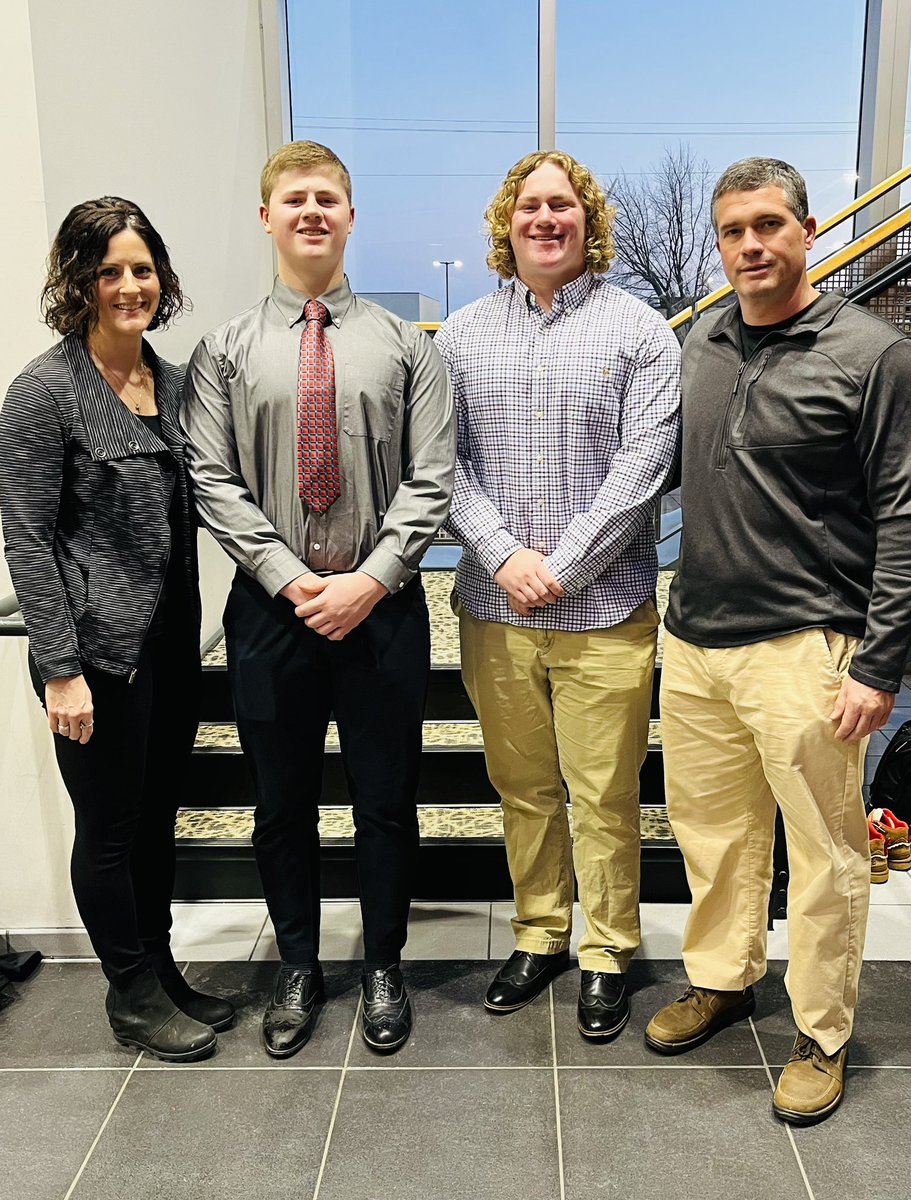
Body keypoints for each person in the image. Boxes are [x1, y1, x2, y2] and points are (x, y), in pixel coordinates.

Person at [646, 157, 911, 1123]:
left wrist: (878, 664)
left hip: (806, 652)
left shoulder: (873, 357)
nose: (750, 245)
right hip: (694, 643)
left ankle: (821, 1032)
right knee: (715, 838)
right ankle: (723, 978)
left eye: (768, 225)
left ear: (806, 230)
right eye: (733, 231)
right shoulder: (705, 341)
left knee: (823, 855)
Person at [181, 141, 454, 1058]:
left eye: (327, 198)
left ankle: (383, 965)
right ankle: (298, 962)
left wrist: (368, 580)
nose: (311, 212)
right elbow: (211, 479)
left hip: (382, 611)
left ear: (349, 216)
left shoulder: (404, 347)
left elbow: (432, 477)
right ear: (266, 218)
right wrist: (294, 579)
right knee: (279, 805)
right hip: (271, 613)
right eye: (293, 198)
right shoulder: (222, 350)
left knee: (385, 802)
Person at [435, 151, 680, 1037]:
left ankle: (607, 948)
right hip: (494, 609)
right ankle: (539, 935)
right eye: (531, 205)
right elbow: (442, 464)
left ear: (587, 221)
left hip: (606, 612)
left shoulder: (641, 333)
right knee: (523, 788)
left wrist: (560, 566)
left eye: (562, 205)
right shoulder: (459, 336)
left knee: (605, 792)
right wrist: (504, 556)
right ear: (508, 222)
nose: (546, 218)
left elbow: (640, 469)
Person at [0, 197, 233, 1062]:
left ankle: (162, 970)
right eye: (110, 272)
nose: (130, 286)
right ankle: (129, 994)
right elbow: (24, 533)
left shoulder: (170, 384)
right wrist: (59, 668)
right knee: (108, 828)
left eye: (142, 269)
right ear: (80, 283)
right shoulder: (44, 391)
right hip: (93, 655)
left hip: (171, 645)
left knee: (157, 819)